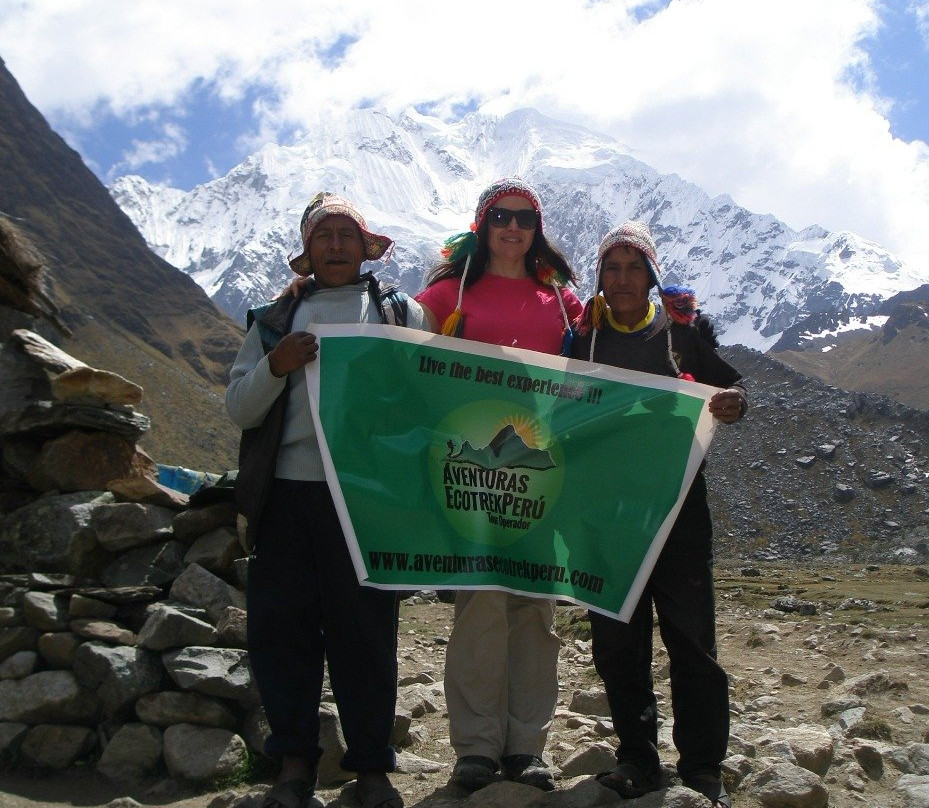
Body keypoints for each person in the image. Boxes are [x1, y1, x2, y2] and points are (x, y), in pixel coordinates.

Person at [226, 192, 429, 808]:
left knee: (365, 632)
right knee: (282, 629)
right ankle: (292, 765)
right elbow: (239, 408)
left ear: (368, 247)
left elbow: (424, 401)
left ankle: (370, 768)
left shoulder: (401, 314)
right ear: (306, 250)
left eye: (347, 235)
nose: (336, 246)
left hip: (364, 500)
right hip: (285, 495)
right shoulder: (271, 323)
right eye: (324, 236)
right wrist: (276, 366)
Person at [415, 178, 583, 793]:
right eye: (502, 217)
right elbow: (398, 342)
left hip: (540, 471)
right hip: (471, 473)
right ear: (482, 226)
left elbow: (609, 352)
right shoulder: (448, 292)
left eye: (525, 219)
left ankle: (526, 746)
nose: (513, 228)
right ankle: (478, 749)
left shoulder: (561, 302)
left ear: (537, 230)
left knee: (534, 611)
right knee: (480, 606)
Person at [570, 221, 745, 808]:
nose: (622, 279)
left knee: (690, 636)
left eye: (633, 267)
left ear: (651, 274)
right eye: (611, 268)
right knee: (618, 640)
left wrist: (730, 404)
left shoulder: (681, 335)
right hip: (605, 511)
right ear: (600, 276)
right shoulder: (582, 338)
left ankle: (702, 766)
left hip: (678, 510)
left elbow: (732, 391)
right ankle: (638, 759)